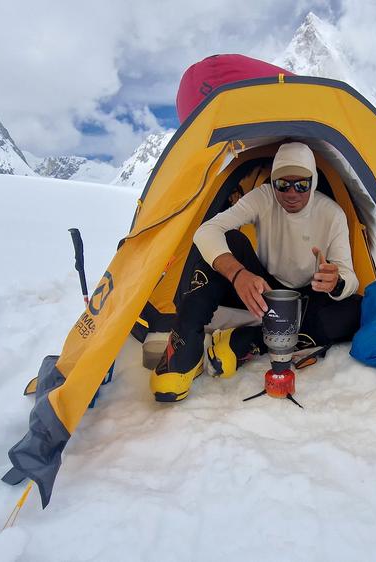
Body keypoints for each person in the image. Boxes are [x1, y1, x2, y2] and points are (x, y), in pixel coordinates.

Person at [150, 142, 363, 402]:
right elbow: (206, 231)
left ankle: (252, 340)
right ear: (273, 183)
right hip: (262, 289)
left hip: (306, 297)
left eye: (302, 185)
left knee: (355, 311)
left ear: (313, 181)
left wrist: (335, 282)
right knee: (228, 241)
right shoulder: (263, 197)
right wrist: (239, 274)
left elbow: (350, 277)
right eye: (282, 184)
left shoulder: (332, 214)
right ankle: (184, 341)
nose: (292, 193)